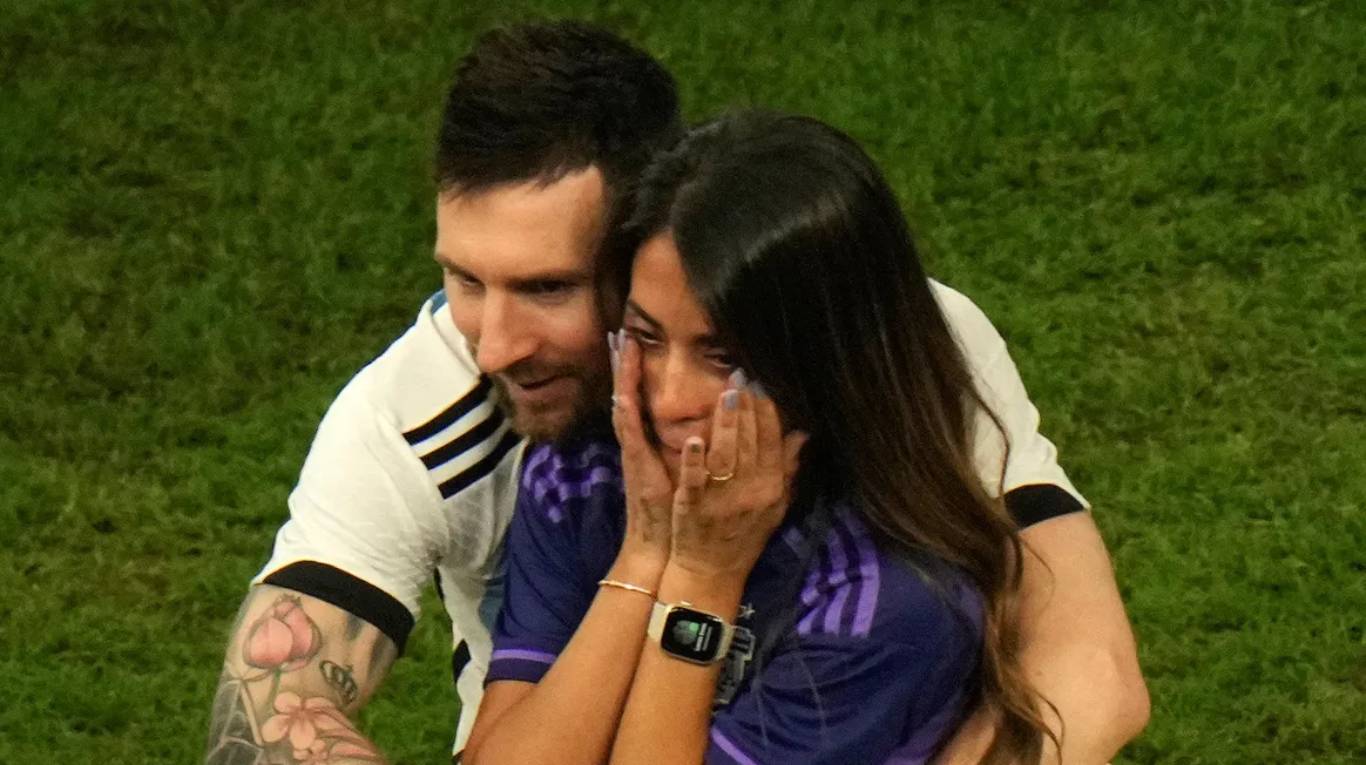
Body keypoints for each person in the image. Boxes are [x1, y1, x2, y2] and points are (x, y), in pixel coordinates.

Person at [205, 20, 1146, 765]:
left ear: (649, 247)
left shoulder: (890, 347)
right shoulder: (431, 432)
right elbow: (266, 720)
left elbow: (1088, 667)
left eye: (548, 288)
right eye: (463, 279)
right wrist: (666, 560)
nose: (491, 345)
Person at [462, 111, 1119, 765]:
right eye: (646, 337)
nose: (667, 399)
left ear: (825, 360)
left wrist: (700, 576)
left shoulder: (885, 603)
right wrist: (643, 552)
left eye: (721, 356)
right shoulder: (584, 478)